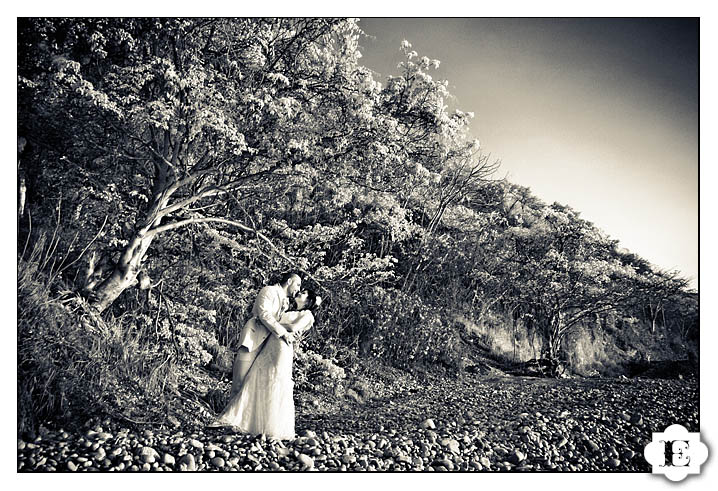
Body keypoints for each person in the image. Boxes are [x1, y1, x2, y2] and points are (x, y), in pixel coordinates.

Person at [209, 283, 321, 440]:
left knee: (275, 380)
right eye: (300, 290)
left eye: (303, 293)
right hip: (270, 344)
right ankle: (250, 423)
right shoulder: (288, 308)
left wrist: (270, 321)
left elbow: (293, 327)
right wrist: (271, 321)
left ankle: (271, 426)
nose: (299, 293)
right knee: (257, 379)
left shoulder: (308, 314)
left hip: (282, 347)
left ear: (308, 301)